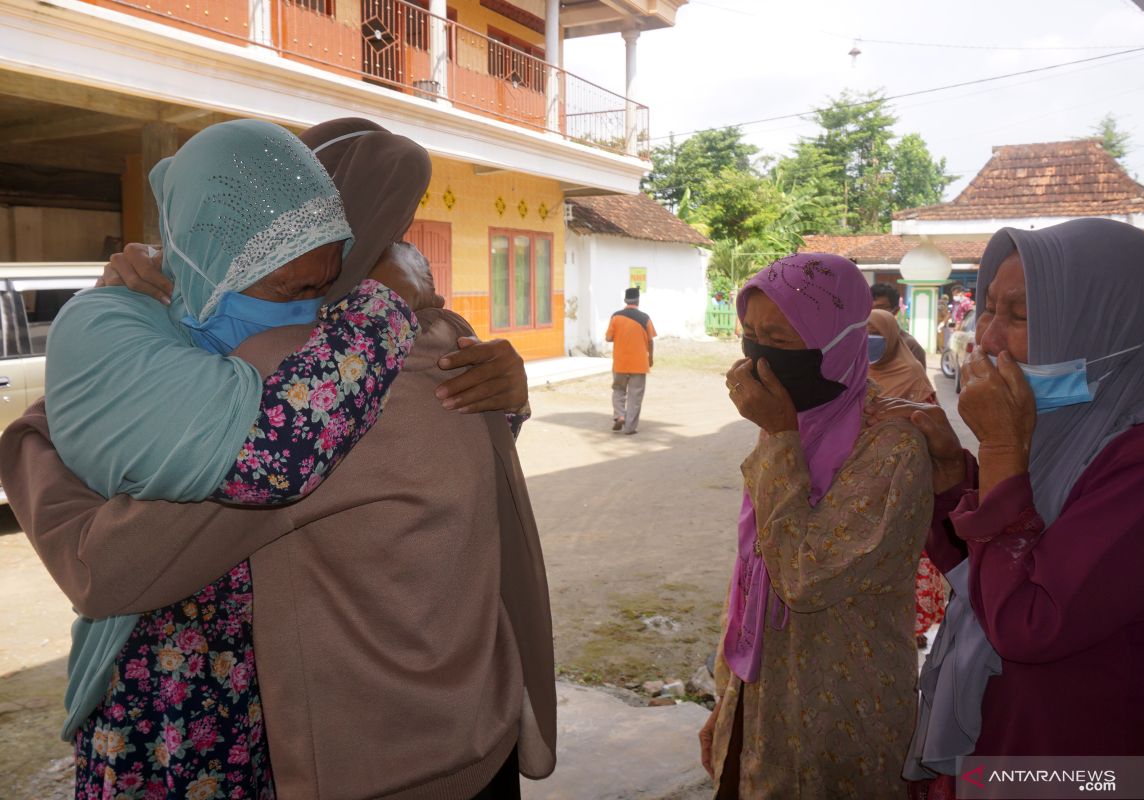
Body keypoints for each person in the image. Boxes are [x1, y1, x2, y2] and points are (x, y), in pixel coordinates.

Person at [3, 120, 554, 799]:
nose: (407, 254)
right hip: (447, 728)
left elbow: (105, 565)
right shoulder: (380, 351)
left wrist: (32, 441)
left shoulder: (315, 380)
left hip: (252, 729)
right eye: (398, 229)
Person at [865, 219, 1144, 798]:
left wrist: (997, 449)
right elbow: (986, 578)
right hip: (1003, 743)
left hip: (1093, 766)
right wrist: (953, 478)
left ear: (1101, 325)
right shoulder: (1057, 433)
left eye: (1018, 316)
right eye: (988, 309)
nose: (987, 338)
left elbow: (1027, 621)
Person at [698, 253, 933, 798]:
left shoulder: (892, 445)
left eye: (780, 342)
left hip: (842, 714)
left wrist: (779, 437)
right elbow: (751, 576)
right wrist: (727, 703)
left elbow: (804, 573)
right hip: (760, 704)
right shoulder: (794, 426)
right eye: (751, 337)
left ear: (839, 343)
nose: (759, 358)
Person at [867, 309, 945, 645]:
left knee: (900, 563)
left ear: (892, 337)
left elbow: (931, 433)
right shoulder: (850, 372)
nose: (868, 342)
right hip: (861, 486)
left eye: (876, 334)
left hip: (900, 485)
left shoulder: (913, 377)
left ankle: (907, 632)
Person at [606, 286, 657, 435]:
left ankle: (620, 415)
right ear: (638, 301)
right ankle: (630, 428)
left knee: (618, 390)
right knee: (635, 395)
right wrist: (651, 358)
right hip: (639, 364)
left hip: (620, 363)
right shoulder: (645, 318)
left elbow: (608, 338)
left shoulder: (615, 317)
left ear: (625, 300)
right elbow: (651, 341)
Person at [868, 309, 936, 404]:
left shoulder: (912, 372)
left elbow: (926, 412)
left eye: (875, 333)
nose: (869, 339)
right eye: (865, 333)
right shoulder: (857, 368)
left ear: (891, 335)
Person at [871, 282, 927, 365]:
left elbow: (917, 377)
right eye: (868, 308)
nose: (873, 313)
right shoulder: (858, 342)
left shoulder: (910, 346)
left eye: (880, 308)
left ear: (895, 310)